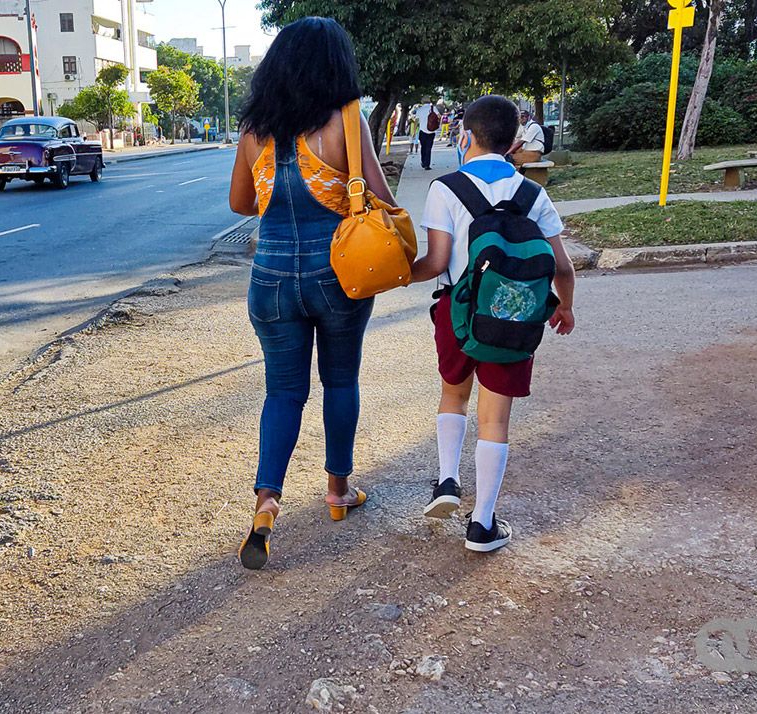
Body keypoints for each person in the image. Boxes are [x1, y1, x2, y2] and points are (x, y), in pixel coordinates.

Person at [228, 16, 397, 570]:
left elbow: (239, 205)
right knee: (340, 380)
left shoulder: (254, 127)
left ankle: (266, 503)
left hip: (270, 279)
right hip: (338, 275)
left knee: (282, 392)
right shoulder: (347, 120)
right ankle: (337, 490)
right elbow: (380, 196)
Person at [410, 95, 576, 553]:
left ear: (465, 135)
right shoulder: (533, 194)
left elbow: (437, 261)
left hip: (456, 312)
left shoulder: (445, 189)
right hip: (514, 315)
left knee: (453, 393)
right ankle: (482, 524)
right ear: (515, 141)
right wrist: (564, 307)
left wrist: (396, 274)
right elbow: (562, 266)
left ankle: (447, 479)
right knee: (495, 418)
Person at [414, 100, 439, 169]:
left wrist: (414, 131)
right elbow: (439, 117)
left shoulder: (419, 110)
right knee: (429, 148)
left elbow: (416, 121)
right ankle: (427, 164)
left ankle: (423, 161)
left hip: (422, 131)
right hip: (431, 131)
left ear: (422, 102)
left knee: (423, 147)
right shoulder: (433, 108)